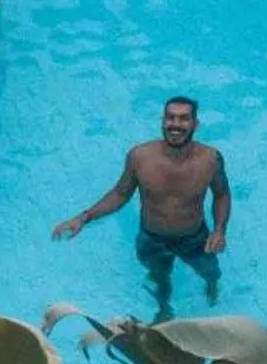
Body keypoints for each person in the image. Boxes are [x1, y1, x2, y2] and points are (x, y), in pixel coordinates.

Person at [53, 96, 230, 318]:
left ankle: (212, 286)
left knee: (211, 272)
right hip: (152, 238)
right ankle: (164, 309)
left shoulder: (210, 159)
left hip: (194, 237)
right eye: (170, 117)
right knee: (159, 277)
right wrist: (83, 218)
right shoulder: (140, 157)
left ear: (195, 124)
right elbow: (120, 194)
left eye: (184, 118)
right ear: (162, 121)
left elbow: (221, 194)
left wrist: (219, 230)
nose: (175, 124)